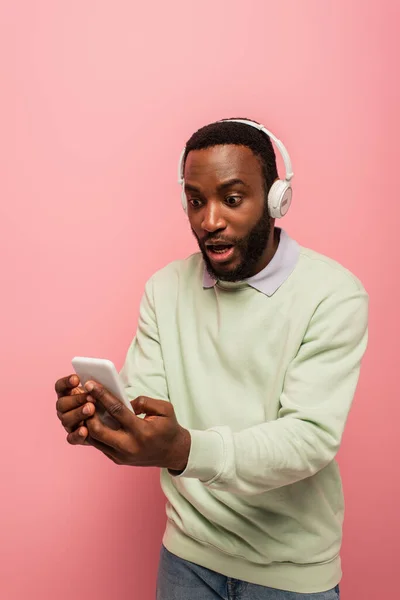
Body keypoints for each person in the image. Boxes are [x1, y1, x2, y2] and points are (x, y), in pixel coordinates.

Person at [55, 118, 368, 599]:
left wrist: (185, 449)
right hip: (187, 560)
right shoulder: (165, 288)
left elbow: (308, 439)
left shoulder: (334, 295)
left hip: (289, 575)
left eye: (233, 198)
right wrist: (101, 415)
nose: (210, 220)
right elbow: (146, 405)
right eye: (196, 200)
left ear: (276, 198)